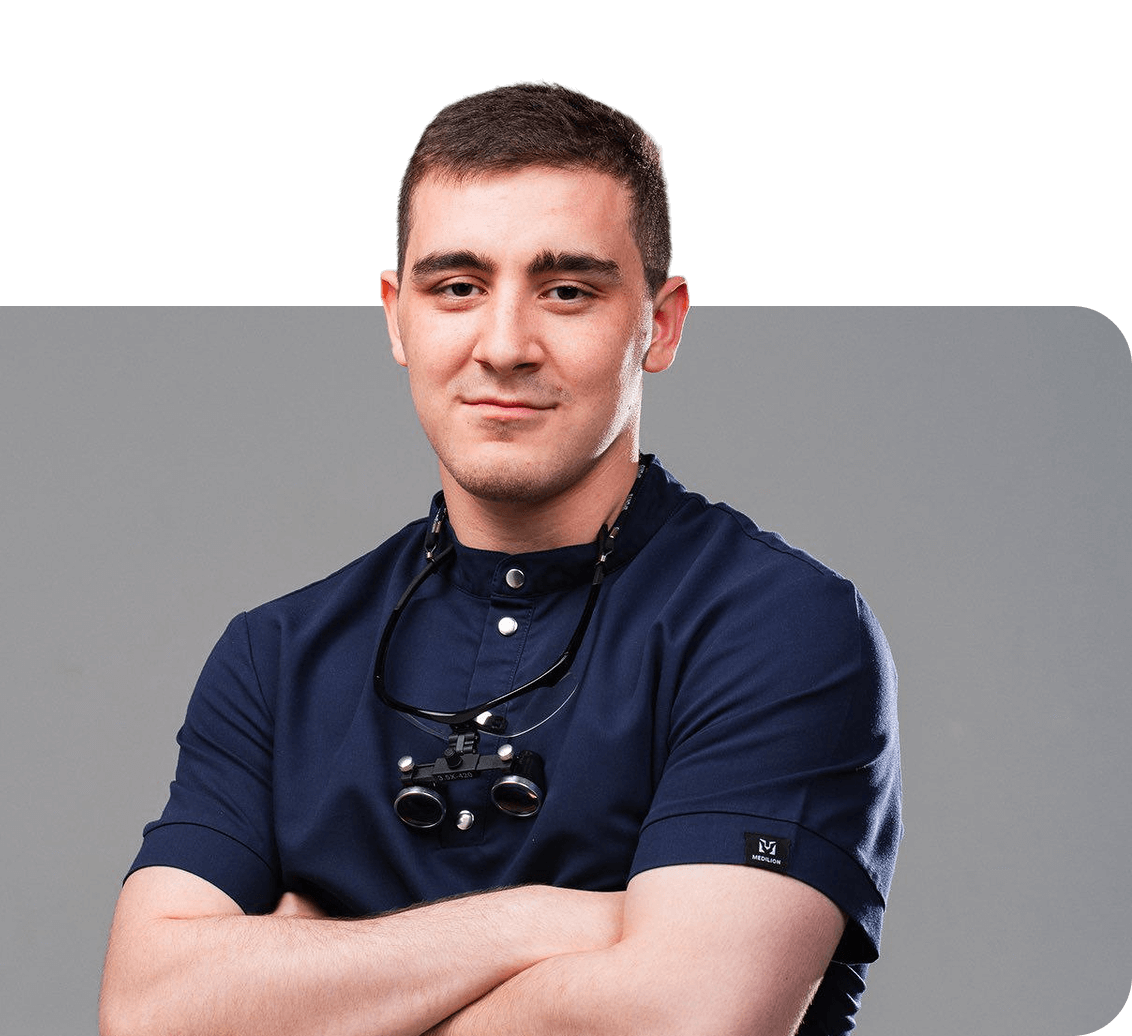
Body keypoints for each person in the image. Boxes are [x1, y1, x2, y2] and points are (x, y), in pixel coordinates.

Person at [99, 81, 902, 1036]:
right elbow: (148, 1011)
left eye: (567, 291)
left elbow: (686, 1018)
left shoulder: (777, 626)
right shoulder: (275, 657)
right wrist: (550, 922)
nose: (506, 345)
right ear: (397, 316)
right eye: (457, 287)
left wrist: (306, 980)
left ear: (661, 323)